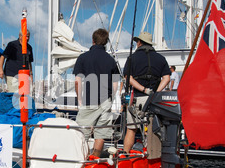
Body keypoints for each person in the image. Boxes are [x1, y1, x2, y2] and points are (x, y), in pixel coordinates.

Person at [73, 28, 120, 157]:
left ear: (93, 40)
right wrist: (111, 97)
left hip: (89, 99)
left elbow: (77, 81)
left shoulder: (83, 58)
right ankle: (95, 160)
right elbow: (115, 84)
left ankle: (83, 162)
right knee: (101, 134)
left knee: (82, 134)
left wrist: (80, 100)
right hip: (106, 100)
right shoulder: (111, 60)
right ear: (105, 42)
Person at [122, 31, 171, 153]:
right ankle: (152, 156)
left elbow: (128, 78)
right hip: (154, 100)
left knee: (131, 129)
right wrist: (155, 92)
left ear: (139, 43)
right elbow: (167, 78)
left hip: (137, 98)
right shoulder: (161, 58)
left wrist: (143, 89)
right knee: (152, 130)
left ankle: (126, 155)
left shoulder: (132, 58)